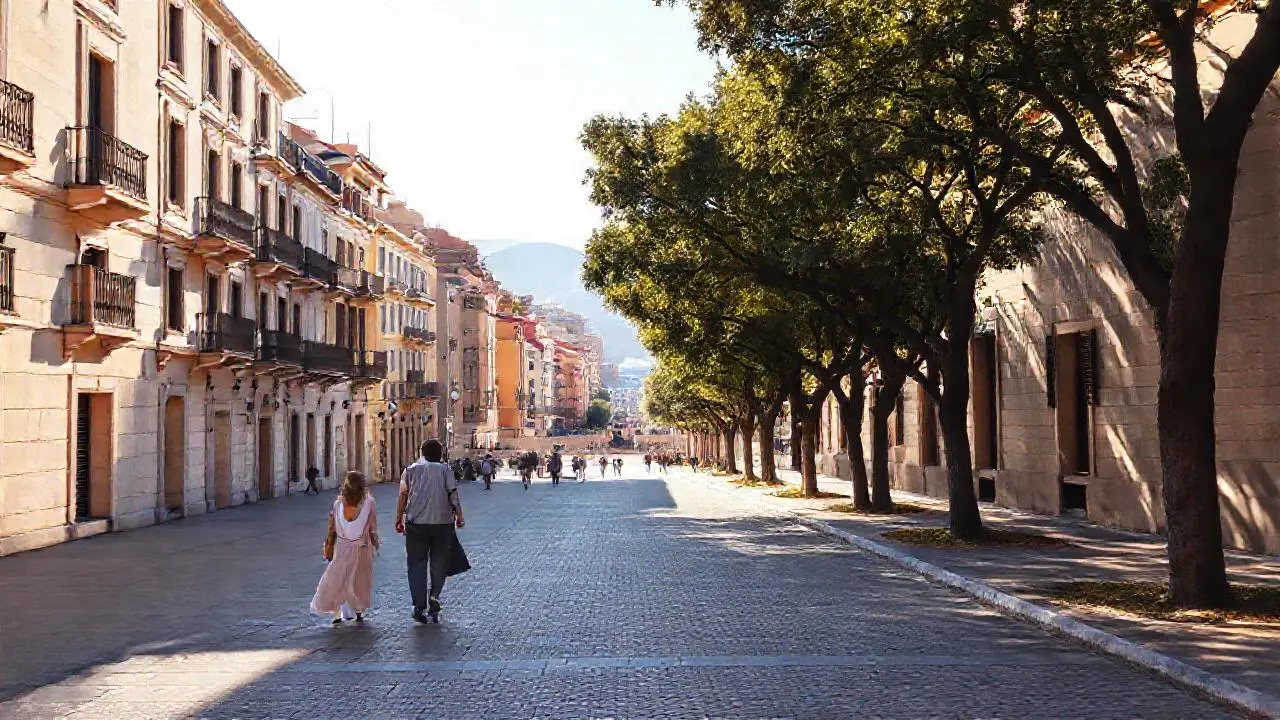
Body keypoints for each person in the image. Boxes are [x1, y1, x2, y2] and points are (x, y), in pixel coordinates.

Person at [395, 440, 465, 624]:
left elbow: (403, 495)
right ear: (440, 454)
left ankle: (419, 605)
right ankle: (434, 595)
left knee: (416, 564)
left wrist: (398, 518)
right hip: (442, 523)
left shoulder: (410, 470)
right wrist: (459, 516)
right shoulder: (445, 470)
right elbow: (453, 494)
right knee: (439, 560)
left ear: (422, 453)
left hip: (416, 523)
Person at [311, 471, 379, 624]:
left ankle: (338, 611)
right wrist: (375, 542)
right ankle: (358, 611)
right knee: (359, 580)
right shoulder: (369, 503)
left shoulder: (337, 504)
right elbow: (372, 527)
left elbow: (332, 528)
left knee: (340, 578)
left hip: (342, 548)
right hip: (362, 547)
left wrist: (328, 544)